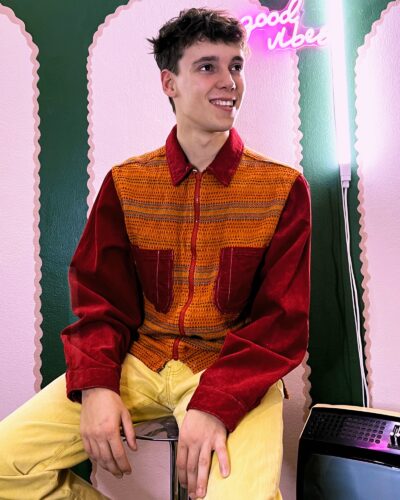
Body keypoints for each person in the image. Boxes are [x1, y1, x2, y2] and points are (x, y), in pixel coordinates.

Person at [0, 7, 310, 500]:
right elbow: (101, 302)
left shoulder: (282, 188)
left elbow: (282, 321)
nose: (229, 81)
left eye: (236, 65)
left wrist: (215, 403)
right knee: (5, 464)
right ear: (170, 82)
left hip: (232, 367)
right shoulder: (126, 183)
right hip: (139, 361)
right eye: (207, 66)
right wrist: (97, 385)